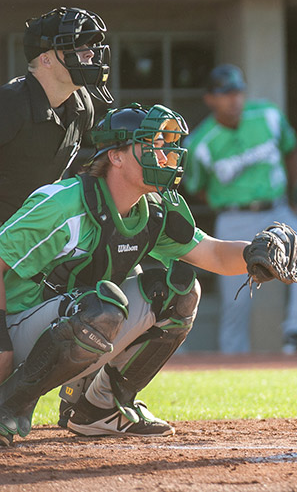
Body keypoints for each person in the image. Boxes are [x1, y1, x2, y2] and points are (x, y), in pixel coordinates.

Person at [0, 103, 274, 445]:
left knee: (179, 293)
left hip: (68, 323)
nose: (164, 155)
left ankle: (98, 408)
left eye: (164, 145)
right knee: (101, 308)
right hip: (11, 330)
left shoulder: (153, 211)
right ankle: (8, 406)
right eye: (151, 145)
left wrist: (256, 254)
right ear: (115, 156)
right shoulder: (63, 204)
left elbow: (214, 254)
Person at [183, 64, 297, 355]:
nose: (234, 99)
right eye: (225, 94)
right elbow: (195, 185)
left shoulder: (267, 115)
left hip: (277, 212)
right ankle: (233, 357)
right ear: (210, 99)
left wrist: (296, 196)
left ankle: (296, 331)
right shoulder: (199, 143)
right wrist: (225, 201)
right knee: (236, 298)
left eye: (237, 92)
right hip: (234, 218)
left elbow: (292, 151)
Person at [0, 7, 113, 227]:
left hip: (42, 231)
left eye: (89, 46)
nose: (90, 53)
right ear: (46, 60)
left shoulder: (83, 105)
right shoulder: (10, 104)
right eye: (77, 46)